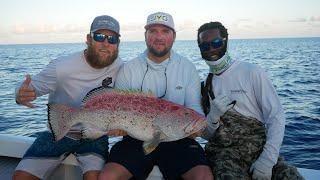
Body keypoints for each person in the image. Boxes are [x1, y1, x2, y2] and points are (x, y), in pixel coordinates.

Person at [98, 12, 213, 180]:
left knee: (203, 176)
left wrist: (199, 126)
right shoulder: (129, 69)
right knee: (107, 177)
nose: (159, 37)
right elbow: (117, 107)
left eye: (165, 31)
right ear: (145, 35)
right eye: (153, 31)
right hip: (135, 138)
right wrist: (115, 126)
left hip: (177, 140)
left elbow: (194, 108)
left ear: (173, 36)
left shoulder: (187, 68)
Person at [13, 15, 123, 180]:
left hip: (95, 134)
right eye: (100, 37)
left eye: (112, 39)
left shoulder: (121, 68)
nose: (106, 43)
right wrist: (19, 94)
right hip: (58, 132)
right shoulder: (62, 66)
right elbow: (30, 87)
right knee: (21, 177)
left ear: (117, 44)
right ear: (88, 39)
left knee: (95, 177)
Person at [198, 21, 303, 180]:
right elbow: (206, 136)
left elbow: (276, 117)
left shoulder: (251, 72)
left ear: (226, 41)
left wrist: (267, 161)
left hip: (259, 151)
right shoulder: (206, 86)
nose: (211, 49)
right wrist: (212, 118)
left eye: (217, 43)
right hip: (224, 155)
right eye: (205, 46)